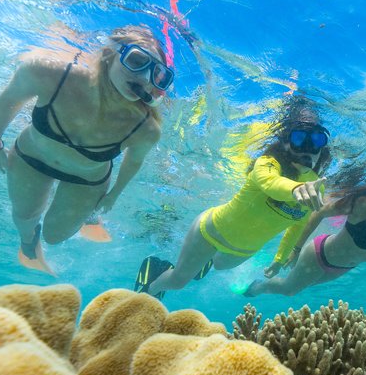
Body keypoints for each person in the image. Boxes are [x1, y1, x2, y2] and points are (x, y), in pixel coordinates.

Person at [0, 25, 172, 275]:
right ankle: (29, 244)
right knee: (24, 218)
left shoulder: (145, 128)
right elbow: (10, 99)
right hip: (31, 159)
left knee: (55, 235)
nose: (144, 77)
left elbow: (133, 161)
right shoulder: (47, 73)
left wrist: (113, 194)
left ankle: (89, 218)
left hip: (87, 179)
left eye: (157, 74)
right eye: (137, 61)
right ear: (108, 54)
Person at [134, 96, 331, 299]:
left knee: (218, 265)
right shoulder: (267, 163)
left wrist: (280, 258)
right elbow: (271, 184)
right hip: (211, 231)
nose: (308, 148)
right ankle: (150, 288)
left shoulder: (316, 186)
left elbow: (298, 225)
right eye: (299, 139)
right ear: (285, 142)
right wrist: (296, 188)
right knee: (179, 281)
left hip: (243, 251)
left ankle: (200, 263)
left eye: (317, 141)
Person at [244, 166, 366, 310]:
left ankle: (267, 279)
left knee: (300, 285)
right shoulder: (365, 203)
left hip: (341, 268)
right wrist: (295, 250)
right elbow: (320, 212)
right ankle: (257, 287)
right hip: (319, 255)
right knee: (289, 289)